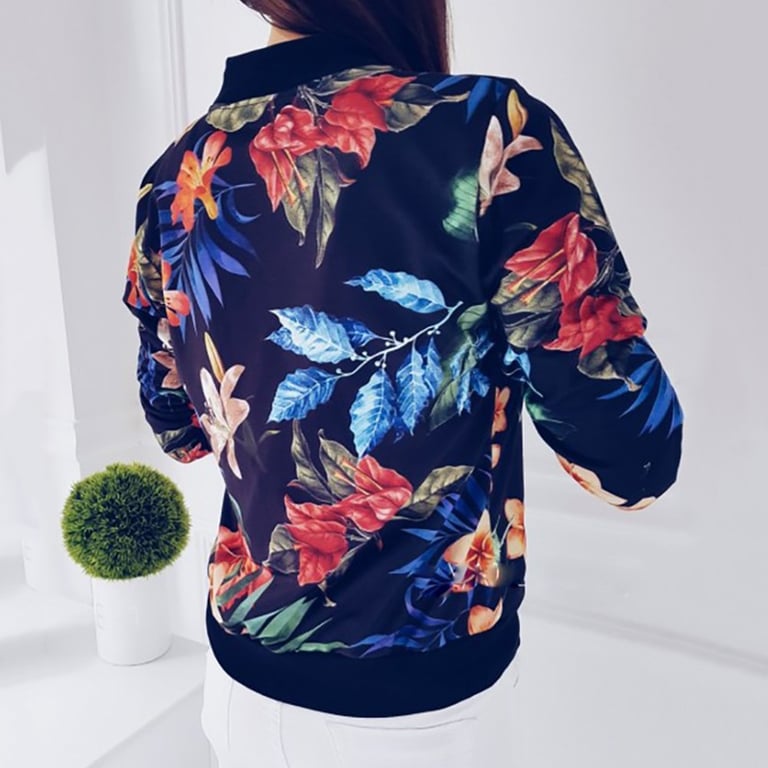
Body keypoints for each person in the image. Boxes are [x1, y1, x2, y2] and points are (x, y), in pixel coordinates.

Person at [122, 1, 684, 765]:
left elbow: (179, 430)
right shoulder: (484, 131)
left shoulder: (173, 179)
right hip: (418, 709)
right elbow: (632, 460)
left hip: (241, 679)